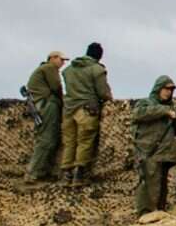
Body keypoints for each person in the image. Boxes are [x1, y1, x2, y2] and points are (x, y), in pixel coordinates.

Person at [60, 42, 113, 184]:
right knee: (85, 141)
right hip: (87, 110)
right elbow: (103, 92)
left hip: (68, 110)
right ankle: (79, 174)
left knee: (69, 141)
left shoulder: (68, 70)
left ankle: (66, 174)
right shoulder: (97, 70)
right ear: (99, 56)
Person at [130, 75, 176, 215]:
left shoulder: (170, 108)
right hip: (149, 151)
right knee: (148, 183)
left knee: (161, 183)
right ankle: (145, 212)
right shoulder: (146, 103)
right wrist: (164, 111)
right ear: (158, 89)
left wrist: (175, 118)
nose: (168, 92)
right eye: (166, 89)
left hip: (165, 152)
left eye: (171, 90)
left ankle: (159, 210)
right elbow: (138, 114)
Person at [20, 51, 66, 182]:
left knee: (49, 139)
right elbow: (56, 87)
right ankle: (33, 172)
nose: (63, 63)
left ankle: (41, 171)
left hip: (42, 105)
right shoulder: (49, 68)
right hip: (47, 105)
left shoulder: (43, 69)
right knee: (47, 139)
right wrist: (64, 102)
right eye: (61, 59)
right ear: (53, 58)